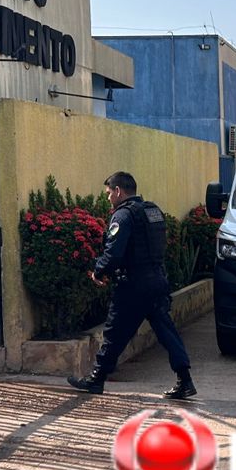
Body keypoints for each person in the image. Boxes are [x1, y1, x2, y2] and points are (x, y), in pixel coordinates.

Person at [67, 171, 196, 400]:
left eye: (109, 193)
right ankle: (184, 379)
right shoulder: (152, 211)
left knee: (114, 332)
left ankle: (96, 379)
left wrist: (99, 270)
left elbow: (114, 253)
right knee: (167, 331)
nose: (108, 199)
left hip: (133, 284)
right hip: (157, 280)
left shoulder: (123, 216)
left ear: (118, 191)